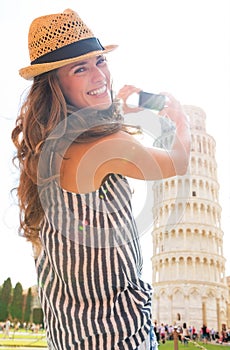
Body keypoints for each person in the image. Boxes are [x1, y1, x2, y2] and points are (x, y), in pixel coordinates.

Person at [12, 8, 190, 350]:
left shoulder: (44, 153)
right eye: (80, 68)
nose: (99, 75)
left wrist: (120, 111)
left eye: (100, 61)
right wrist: (179, 120)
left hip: (69, 337)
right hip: (119, 338)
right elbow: (177, 162)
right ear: (55, 85)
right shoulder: (103, 145)